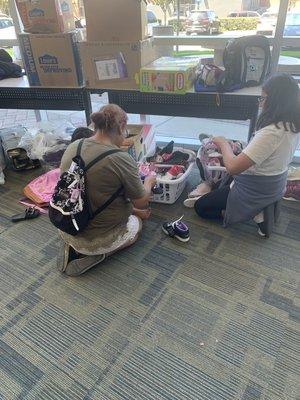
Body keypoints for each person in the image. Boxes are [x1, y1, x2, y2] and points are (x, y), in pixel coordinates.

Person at [194, 73, 300, 235]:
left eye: (263, 98)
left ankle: (254, 213)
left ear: (275, 102)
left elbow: (233, 168)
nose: (260, 103)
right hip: (274, 183)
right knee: (226, 167)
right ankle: (219, 191)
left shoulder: (271, 133)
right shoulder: (291, 125)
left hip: (254, 188)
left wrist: (222, 143)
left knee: (200, 207)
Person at [58, 104, 156, 276]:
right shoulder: (120, 158)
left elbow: (81, 190)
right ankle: (100, 254)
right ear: (120, 126)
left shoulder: (75, 145)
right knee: (136, 226)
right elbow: (142, 201)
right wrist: (149, 181)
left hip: (66, 224)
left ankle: (73, 245)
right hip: (98, 237)